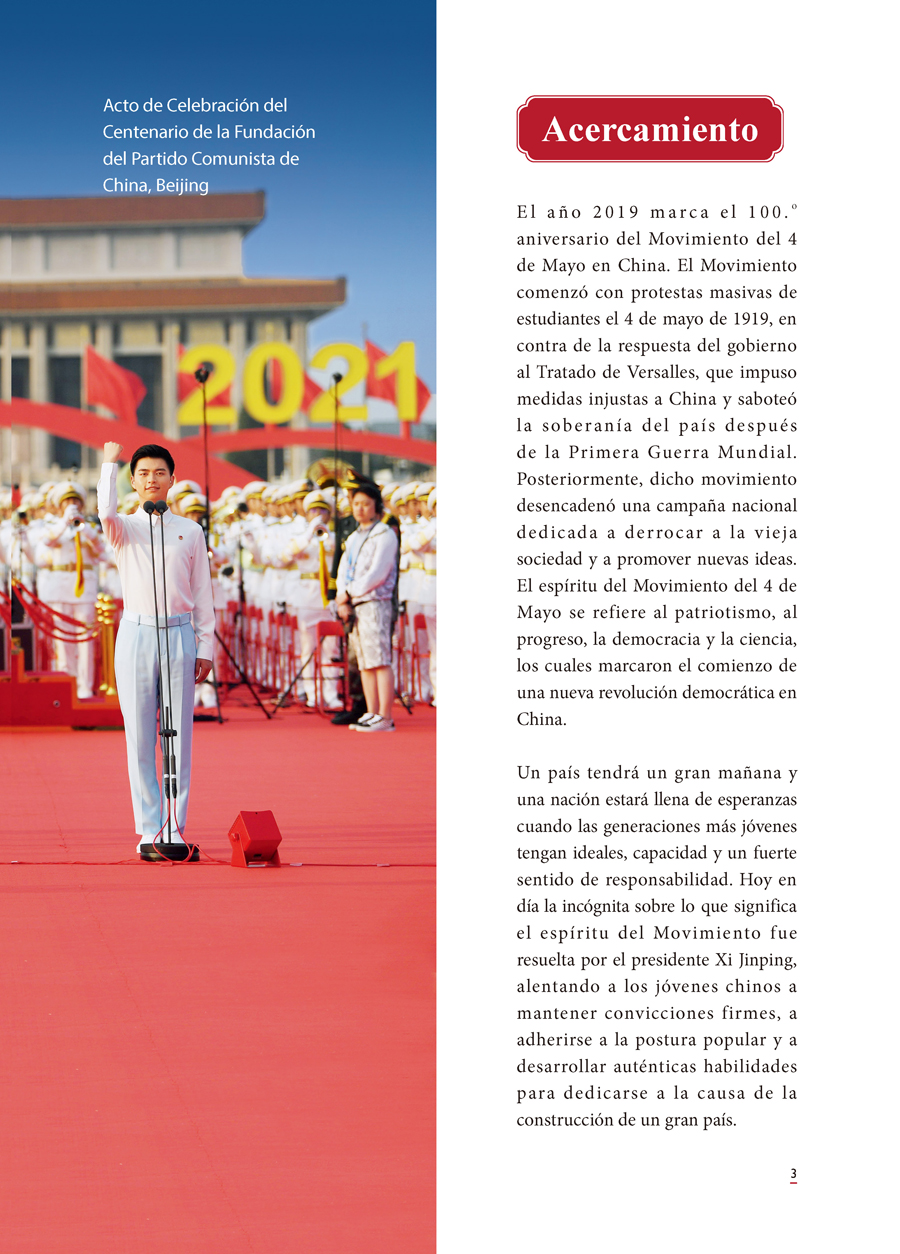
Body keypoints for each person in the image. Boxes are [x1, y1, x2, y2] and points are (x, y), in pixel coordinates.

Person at [98, 441, 215, 861]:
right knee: (140, 736)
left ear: (172, 479)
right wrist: (108, 464)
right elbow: (105, 512)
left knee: (178, 735)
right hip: (137, 635)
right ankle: (149, 828)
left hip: (180, 633)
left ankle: (174, 827)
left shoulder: (191, 531)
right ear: (133, 481)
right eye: (144, 473)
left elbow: (203, 593)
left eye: (159, 472)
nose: (152, 479)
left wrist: (206, 644)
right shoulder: (123, 527)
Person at [334, 482, 399, 733]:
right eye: (356, 504)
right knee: (364, 661)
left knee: (379, 659)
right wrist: (342, 596)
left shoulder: (385, 534)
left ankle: (386, 716)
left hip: (375, 602)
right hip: (355, 604)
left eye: (366, 504)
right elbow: (343, 570)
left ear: (376, 507)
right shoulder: (353, 537)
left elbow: (378, 574)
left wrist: (348, 593)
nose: (360, 509)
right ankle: (372, 711)